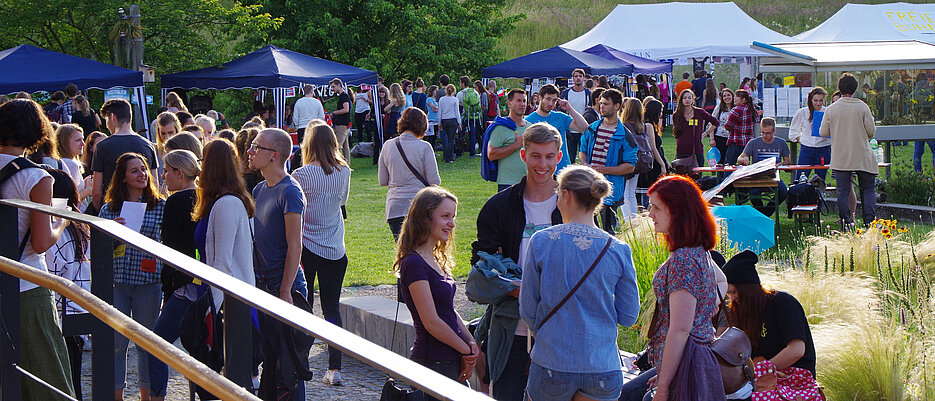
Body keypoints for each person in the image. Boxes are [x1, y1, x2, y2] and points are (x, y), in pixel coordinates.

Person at [520, 165, 640, 401]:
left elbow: (527, 309)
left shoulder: (542, 241)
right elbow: (628, 315)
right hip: (602, 366)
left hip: (552, 362)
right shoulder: (618, 249)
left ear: (566, 195)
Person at [469, 122, 565, 401]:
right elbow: (482, 265)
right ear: (523, 156)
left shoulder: (573, 204)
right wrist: (516, 288)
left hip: (560, 330)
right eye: (535, 156)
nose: (542, 164)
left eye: (549, 157)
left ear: (559, 157)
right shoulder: (499, 207)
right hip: (512, 327)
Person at [620, 175, 725, 401]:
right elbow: (721, 281)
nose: (650, 214)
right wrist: (707, 306)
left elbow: (680, 329)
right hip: (690, 360)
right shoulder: (697, 249)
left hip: (689, 363)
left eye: (656, 207)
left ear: (677, 212)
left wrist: (664, 386)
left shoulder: (683, 260)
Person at [0, 99, 77, 400]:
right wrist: (62, 221)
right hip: (26, 285)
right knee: (48, 378)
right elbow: (41, 242)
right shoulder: (36, 177)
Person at [395, 187, 479, 400]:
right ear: (425, 217)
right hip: (433, 362)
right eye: (445, 216)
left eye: (453, 217)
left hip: (449, 360)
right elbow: (431, 321)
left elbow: (448, 311)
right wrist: (465, 350)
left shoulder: (434, 258)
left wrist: (471, 344)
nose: (451, 223)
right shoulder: (414, 262)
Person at [98, 152, 165, 401]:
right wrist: (112, 232)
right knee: (116, 343)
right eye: (135, 170)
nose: (142, 175)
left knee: (146, 343)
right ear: (123, 177)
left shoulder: (160, 206)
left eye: (144, 169)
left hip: (149, 283)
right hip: (118, 282)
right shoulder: (108, 209)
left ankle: (146, 396)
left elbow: (166, 243)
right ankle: (117, 396)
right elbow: (99, 249)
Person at [248, 128, 309, 399]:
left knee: (290, 365)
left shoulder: (290, 192)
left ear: (273, 156)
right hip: (263, 285)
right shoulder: (260, 188)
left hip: (285, 287)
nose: (250, 151)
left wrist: (285, 290)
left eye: (255, 147)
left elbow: (295, 245)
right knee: (272, 360)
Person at [293, 124, 352, 386]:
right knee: (332, 308)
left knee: (303, 306)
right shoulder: (344, 172)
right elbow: (342, 202)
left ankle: (300, 363)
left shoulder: (301, 174)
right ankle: (335, 368)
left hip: (306, 245)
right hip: (334, 247)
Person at [148, 149, 200, 401]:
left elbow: (171, 252)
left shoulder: (177, 201)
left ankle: (157, 395)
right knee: (197, 346)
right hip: (202, 284)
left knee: (155, 344)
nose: (163, 177)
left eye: (166, 171)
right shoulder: (202, 196)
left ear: (179, 173)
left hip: (183, 286)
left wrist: (168, 293)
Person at [722, 251, 817, 378]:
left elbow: (797, 350)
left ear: (747, 288)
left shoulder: (782, 303)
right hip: (767, 382)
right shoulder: (745, 311)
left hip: (794, 384)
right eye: (729, 294)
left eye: (733, 292)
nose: (732, 298)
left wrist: (761, 370)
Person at [46, 168, 91, 400]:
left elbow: (50, 275)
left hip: (63, 315)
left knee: (65, 383)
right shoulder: (81, 226)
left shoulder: (58, 230)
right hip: (79, 310)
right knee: (74, 380)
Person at [820, 73, 877, 229]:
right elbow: (871, 132)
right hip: (862, 154)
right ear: (855, 89)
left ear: (839, 88)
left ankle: (846, 222)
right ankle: (869, 223)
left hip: (841, 155)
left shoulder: (832, 109)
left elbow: (823, 132)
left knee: (843, 191)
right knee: (868, 188)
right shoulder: (863, 107)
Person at [578, 89, 638, 234]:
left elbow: (630, 166)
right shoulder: (593, 128)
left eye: (606, 104)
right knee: (588, 229)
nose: (601, 107)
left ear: (617, 106)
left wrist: (604, 170)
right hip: (590, 186)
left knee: (608, 232)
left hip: (610, 191)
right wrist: (585, 164)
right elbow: (582, 150)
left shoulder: (624, 135)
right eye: (600, 103)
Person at [379, 107, 441, 239]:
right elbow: (434, 181)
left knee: (403, 252)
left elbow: (382, 180)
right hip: (420, 205)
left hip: (394, 207)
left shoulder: (387, 145)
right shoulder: (424, 147)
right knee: (421, 251)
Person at [91, 99, 159, 213]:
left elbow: (97, 192)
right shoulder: (148, 145)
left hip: (113, 210)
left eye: (107, 120)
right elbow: (154, 184)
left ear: (112, 117)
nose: (107, 126)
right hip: (145, 211)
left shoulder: (102, 147)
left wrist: (102, 213)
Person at [526, 84, 589, 174]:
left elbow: (584, 128)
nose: (551, 103)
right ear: (540, 98)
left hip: (563, 170)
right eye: (548, 99)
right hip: (541, 170)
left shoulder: (560, 117)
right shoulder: (529, 121)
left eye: (554, 100)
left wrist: (570, 109)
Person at [620, 98, 665, 221]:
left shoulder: (623, 126)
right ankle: (634, 221)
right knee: (631, 194)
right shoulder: (644, 127)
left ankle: (629, 221)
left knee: (624, 194)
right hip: (639, 162)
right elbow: (652, 147)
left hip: (625, 162)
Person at [737, 118, 790, 217]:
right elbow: (740, 158)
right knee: (754, 193)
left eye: (768, 133)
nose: (765, 136)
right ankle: (763, 215)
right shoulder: (753, 142)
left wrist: (779, 164)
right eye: (762, 133)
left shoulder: (781, 143)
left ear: (774, 131)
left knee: (783, 191)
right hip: (757, 178)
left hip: (774, 177)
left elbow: (788, 161)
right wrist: (744, 159)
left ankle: (765, 214)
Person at [487, 89, 529, 191]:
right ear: (509, 103)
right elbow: (491, 154)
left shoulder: (530, 127)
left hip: (529, 183)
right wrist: (517, 144)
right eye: (518, 101)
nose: (522, 104)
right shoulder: (500, 127)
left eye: (524, 101)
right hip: (507, 183)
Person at [789, 87, 831, 181]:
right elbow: (793, 132)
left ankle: (819, 194)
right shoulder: (802, 112)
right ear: (811, 100)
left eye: (821, 100)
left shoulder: (828, 112)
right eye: (815, 100)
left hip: (823, 149)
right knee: (801, 178)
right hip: (807, 149)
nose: (818, 103)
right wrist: (800, 140)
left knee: (820, 179)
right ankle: (799, 194)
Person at [673, 89, 719, 168]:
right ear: (681, 100)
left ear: (693, 99)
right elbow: (676, 133)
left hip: (697, 150)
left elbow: (716, 122)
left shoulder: (699, 112)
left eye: (689, 98)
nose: (687, 100)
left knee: (697, 177)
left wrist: (705, 133)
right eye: (685, 98)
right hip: (682, 150)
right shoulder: (677, 115)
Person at [55, 124, 92, 210]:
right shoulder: (70, 164)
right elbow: (73, 199)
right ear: (65, 142)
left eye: (82, 139)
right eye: (78, 140)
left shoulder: (61, 161)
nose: (83, 144)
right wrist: (89, 189)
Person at [560, 68, 592, 164]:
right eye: (576, 76)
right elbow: (561, 111)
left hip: (583, 129)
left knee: (585, 156)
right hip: (570, 129)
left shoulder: (588, 94)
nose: (578, 78)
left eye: (580, 76)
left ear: (584, 78)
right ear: (573, 78)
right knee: (570, 157)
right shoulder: (566, 93)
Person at [724, 89, 759, 166]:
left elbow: (727, 125)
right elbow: (757, 123)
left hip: (736, 141)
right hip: (748, 143)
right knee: (745, 165)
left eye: (737, 96)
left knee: (729, 165)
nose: (734, 98)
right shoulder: (752, 110)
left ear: (743, 100)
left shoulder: (736, 110)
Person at [457, 76, 483, 158]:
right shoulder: (475, 92)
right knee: (472, 134)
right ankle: (472, 153)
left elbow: (458, 105)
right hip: (474, 117)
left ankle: (459, 152)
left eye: (460, 83)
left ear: (463, 83)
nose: (460, 85)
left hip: (464, 116)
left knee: (461, 134)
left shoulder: (461, 93)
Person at [328, 78, 353, 162]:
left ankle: (339, 163)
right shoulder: (343, 96)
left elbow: (346, 109)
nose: (332, 89)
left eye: (333, 87)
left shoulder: (344, 96)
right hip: (345, 124)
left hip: (342, 125)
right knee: (345, 146)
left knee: (338, 145)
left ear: (339, 85)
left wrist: (334, 113)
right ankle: (347, 163)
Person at [709, 88, 735, 165]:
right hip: (720, 137)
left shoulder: (737, 107)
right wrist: (712, 139)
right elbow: (712, 123)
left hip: (733, 138)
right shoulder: (719, 108)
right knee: (720, 161)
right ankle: (720, 177)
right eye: (724, 96)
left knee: (730, 161)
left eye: (728, 95)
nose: (727, 97)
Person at [438, 84, 462, 163]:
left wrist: (439, 123)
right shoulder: (455, 99)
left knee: (445, 139)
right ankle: (449, 157)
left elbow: (440, 112)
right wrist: (459, 123)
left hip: (444, 120)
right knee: (451, 140)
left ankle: (446, 156)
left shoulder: (441, 99)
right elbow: (457, 112)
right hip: (452, 120)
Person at [425, 85, 440, 150]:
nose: (437, 92)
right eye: (436, 90)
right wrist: (439, 108)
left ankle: (434, 149)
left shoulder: (437, 99)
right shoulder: (429, 99)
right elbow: (434, 108)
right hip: (431, 119)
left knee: (435, 136)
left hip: (437, 119)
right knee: (431, 136)